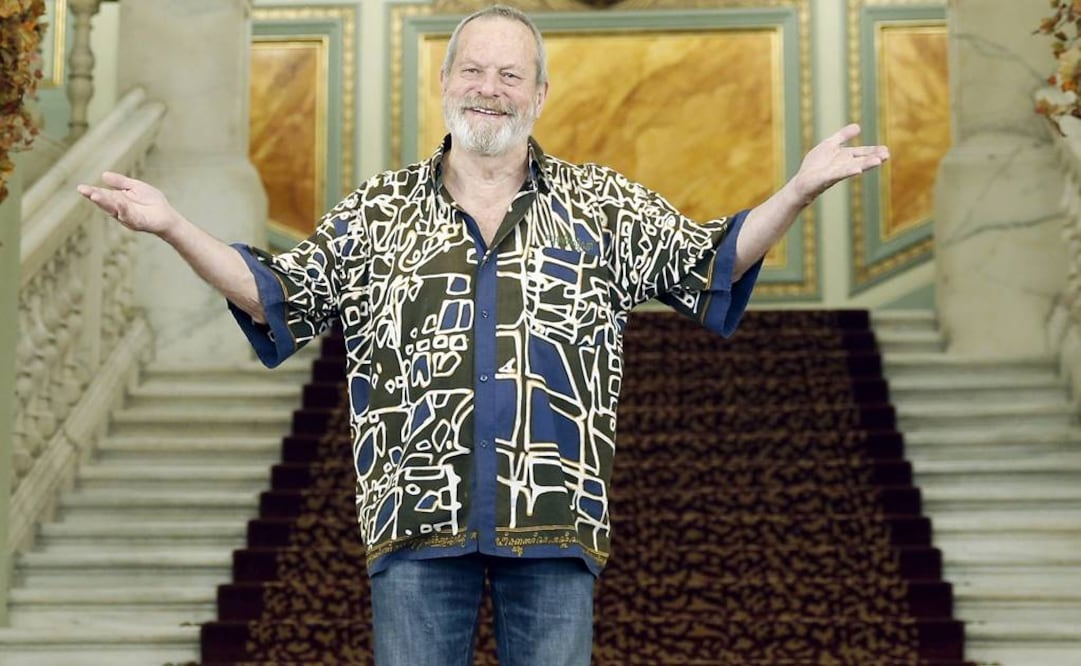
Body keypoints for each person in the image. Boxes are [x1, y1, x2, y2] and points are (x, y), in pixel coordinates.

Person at [78, 5, 888, 665]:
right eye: (472, 69)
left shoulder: (599, 206)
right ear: (442, 83)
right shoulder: (378, 212)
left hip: (554, 521)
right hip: (415, 526)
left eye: (510, 74)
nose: (488, 89)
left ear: (540, 94)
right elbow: (276, 295)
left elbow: (704, 261)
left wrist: (798, 189)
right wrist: (175, 226)